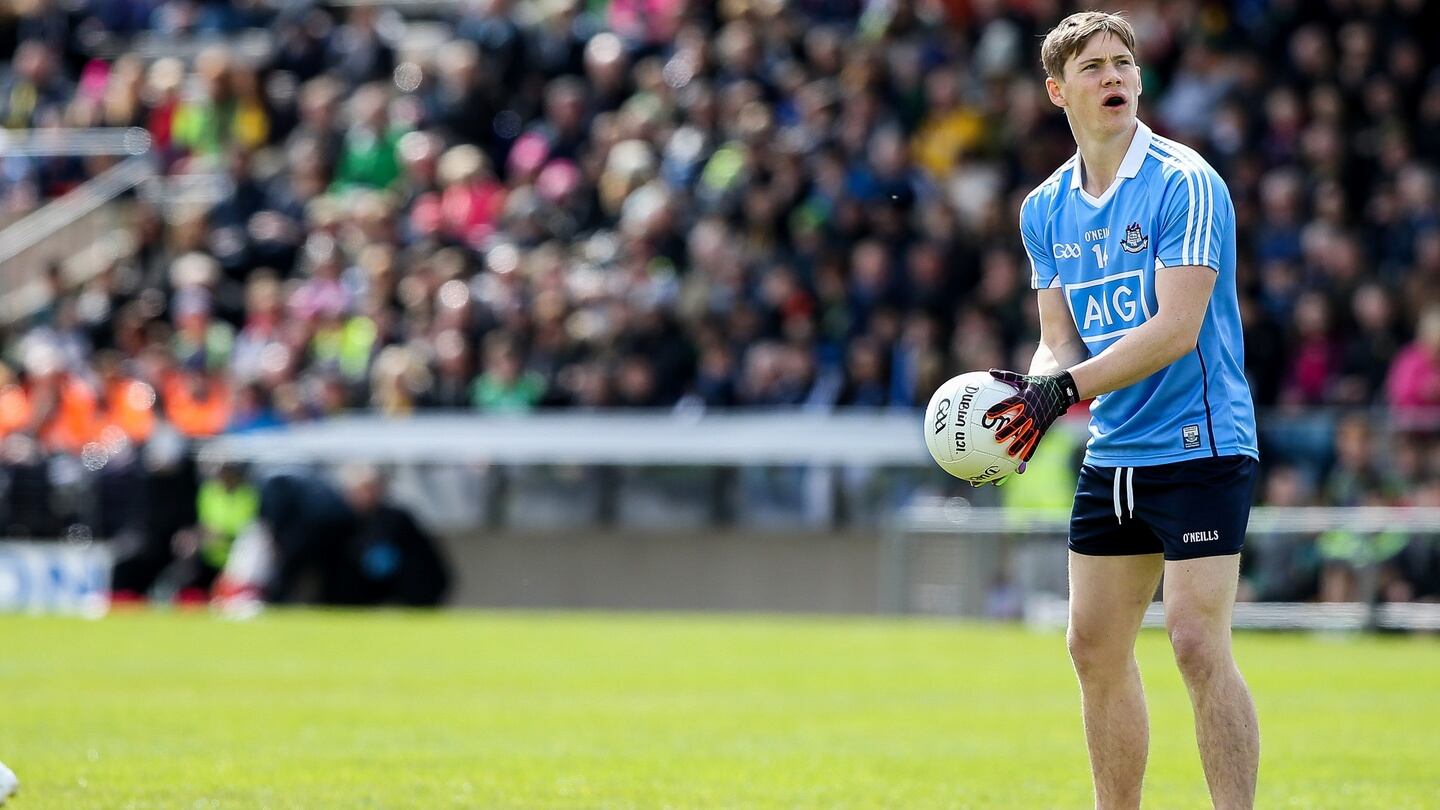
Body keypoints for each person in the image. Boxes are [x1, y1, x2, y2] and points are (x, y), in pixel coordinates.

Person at [984, 12, 1261, 810]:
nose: (1114, 77)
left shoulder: (1186, 182)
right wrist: (1031, 395)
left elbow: (1176, 329)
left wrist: (1064, 392)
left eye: (1124, 64)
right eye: (1094, 67)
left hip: (1202, 442)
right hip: (1115, 454)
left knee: (1196, 643)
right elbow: (1056, 342)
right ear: (1056, 90)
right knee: (1093, 648)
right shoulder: (1044, 208)